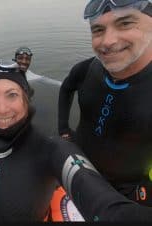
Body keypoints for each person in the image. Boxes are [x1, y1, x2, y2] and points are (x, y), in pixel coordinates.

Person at [0, 60, 152, 222]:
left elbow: (104, 205)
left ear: (26, 99)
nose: (2, 109)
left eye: (11, 95)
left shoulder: (53, 150)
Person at [58, 0, 152, 207]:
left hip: (127, 190)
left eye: (126, 23)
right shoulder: (87, 68)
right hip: (77, 168)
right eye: (98, 30)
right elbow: (66, 89)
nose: (107, 41)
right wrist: (63, 129)